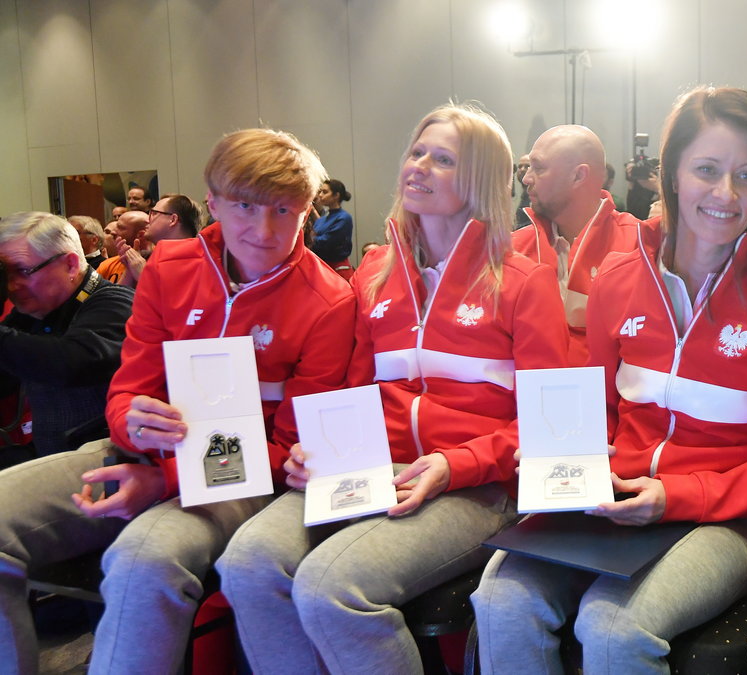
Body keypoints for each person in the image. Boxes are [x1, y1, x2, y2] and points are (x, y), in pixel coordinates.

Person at [473, 86, 747, 674]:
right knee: (500, 601)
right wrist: (558, 464)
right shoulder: (617, 278)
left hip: (729, 521)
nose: (726, 194)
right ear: (670, 174)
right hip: (616, 501)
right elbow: (596, 416)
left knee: (613, 628)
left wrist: (680, 496)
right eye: (706, 169)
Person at [218, 104, 568, 674]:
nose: (420, 166)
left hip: (475, 487)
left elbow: (550, 423)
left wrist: (455, 464)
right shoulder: (375, 271)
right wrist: (321, 450)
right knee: (250, 564)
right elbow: (351, 390)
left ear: (481, 177)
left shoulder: (523, 282)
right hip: (371, 471)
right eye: (417, 152)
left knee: (330, 588)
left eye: (444, 159)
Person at [0, 128, 355, 673]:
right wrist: (129, 425)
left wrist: (167, 481)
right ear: (212, 203)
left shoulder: (329, 302)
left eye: (285, 211)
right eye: (244, 207)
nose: (263, 230)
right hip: (139, 455)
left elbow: (286, 448)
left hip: (240, 479)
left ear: (308, 211)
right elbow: (130, 385)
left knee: (143, 560)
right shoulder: (169, 267)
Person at [0, 212, 133, 465]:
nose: (12, 286)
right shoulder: (35, 310)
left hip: (108, 465)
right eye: (6, 274)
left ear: (71, 265)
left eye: (22, 271)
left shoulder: (115, 302)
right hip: (52, 457)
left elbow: (72, 363)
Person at [515, 124, 643, 365]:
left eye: (538, 168)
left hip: (612, 401)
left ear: (578, 176)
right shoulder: (513, 249)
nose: (526, 178)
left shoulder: (640, 246)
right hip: (525, 399)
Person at [118, 193, 202, 287]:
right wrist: (130, 268)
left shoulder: (198, 262)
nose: (148, 219)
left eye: (154, 213)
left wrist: (143, 274)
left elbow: (175, 299)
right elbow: (117, 299)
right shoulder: (145, 257)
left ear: (173, 219)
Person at [312, 178, 355, 279]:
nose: (320, 195)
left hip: (338, 270)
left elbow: (327, 242)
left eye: (325, 192)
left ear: (336, 195)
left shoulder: (344, 218)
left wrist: (313, 239)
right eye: (320, 192)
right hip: (322, 268)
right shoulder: (322, 219)